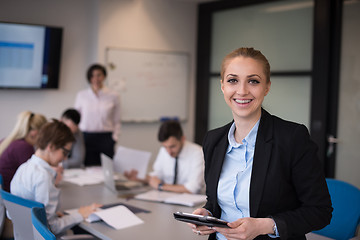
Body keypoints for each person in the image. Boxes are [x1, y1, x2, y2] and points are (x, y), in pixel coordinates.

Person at [187, 47, 332, 240]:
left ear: (267, 87)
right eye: (232, 80)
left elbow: (319, 211)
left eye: (253, 81)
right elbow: (215, 202)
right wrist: (208, 214)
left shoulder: (292, 138)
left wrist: (266, 225)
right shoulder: (213, 140)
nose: (242, 90)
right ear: (222, 86)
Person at [10, 120, 101, 236]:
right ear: (51, 147)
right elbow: (51, 227)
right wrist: (80, 214)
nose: (65, 159)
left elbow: (17, 212)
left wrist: (49, 215)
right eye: (65, 152)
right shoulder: (43, 177)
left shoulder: (23, 168)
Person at [126, 120, 204, 194]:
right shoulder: (164, 150)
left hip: (192, 202)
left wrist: (161, 186)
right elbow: (158, 175)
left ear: (182, 139)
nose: (168, 152)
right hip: (167, 198)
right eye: (165, 147)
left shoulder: (198, 153)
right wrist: (140, 178)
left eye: (172, 146)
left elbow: (193, 188)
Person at [74, 63, 121, 166]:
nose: (96, 78)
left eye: (99, 75)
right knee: (88, 167)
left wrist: (115, 137)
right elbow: (76, 118)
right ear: (89, 78)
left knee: (107, 168)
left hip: (106, 138)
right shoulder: (82, 95)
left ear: (104, 76)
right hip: (87, 137)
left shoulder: (113, 95)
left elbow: (117, 120)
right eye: (92, 75)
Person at [0, 111, 47, 192]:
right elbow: (34, 178)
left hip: (5, 195)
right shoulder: (24, 147)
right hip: (12, 195)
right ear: (34, 133)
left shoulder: (5, 141)